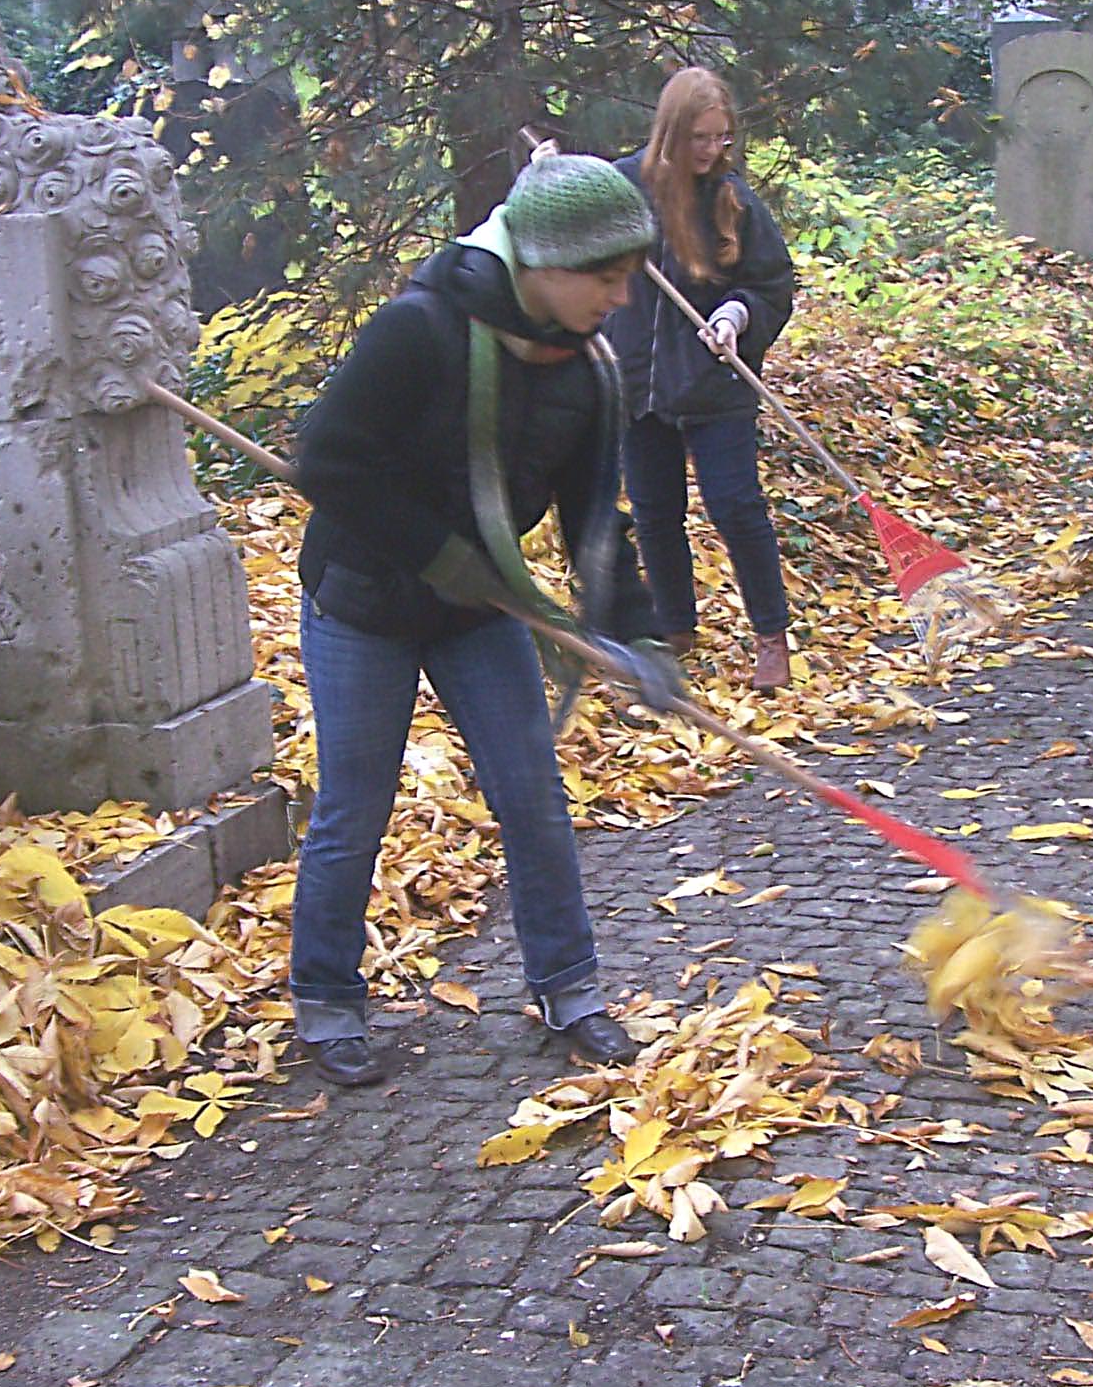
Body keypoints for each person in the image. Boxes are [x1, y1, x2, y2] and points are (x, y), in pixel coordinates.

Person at [288, 151, 684, 1087]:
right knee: (356, 806)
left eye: (630, 274)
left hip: (480, 609)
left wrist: (638, 631)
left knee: (532, 794)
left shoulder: (584, 368)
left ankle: (569, 988)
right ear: (544, 263)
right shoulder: (418, 330)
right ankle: (327, 1000)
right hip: (364, 600)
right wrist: (439, 556)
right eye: (606, 276)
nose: (623, 297)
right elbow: (327, 462)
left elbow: (596, 518)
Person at [604, 67, 798, 692]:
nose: (713, 150)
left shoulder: (732, 199)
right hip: (639, 379)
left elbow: (772, 283)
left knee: (736, 506)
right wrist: (554, 178)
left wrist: (736, 315)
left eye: (722, 137)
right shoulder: (622, 187)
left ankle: (771, 636)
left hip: (715, 380)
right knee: (655, 512)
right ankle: (675, 627)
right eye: (700, 138)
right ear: (671, 132)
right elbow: (567, 232)